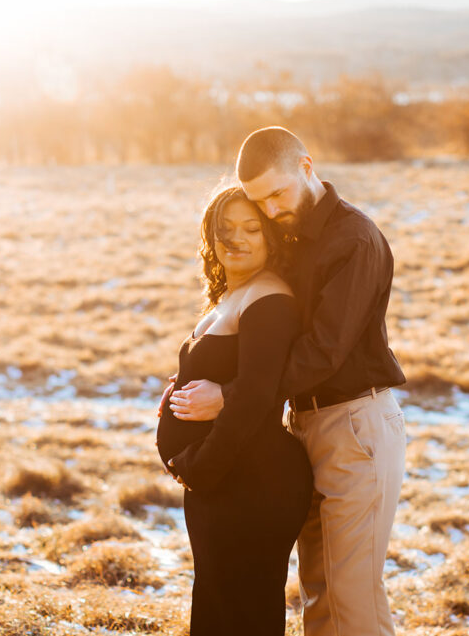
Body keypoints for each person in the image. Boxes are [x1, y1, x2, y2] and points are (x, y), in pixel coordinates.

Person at [167, 127, 408, 636]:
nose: (272, 211)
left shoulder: (354, 240)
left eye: (278, 194)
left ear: (307, 166)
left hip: (353, 426)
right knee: (319, 592)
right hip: (305, 424)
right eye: (261, 202)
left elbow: (323, 349)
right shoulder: (297, 236)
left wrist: (232, 397)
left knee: (352, 597)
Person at [155, 185, 313, 636]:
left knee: (243, 614)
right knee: (218, 607)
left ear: (271, 237)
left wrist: (200, 466)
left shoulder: (270, 300)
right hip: (226, 482)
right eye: (225, 229)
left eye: (251, 228)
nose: (236, 239)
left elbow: (259, 399)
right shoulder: (235, 294)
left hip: (252, 484)